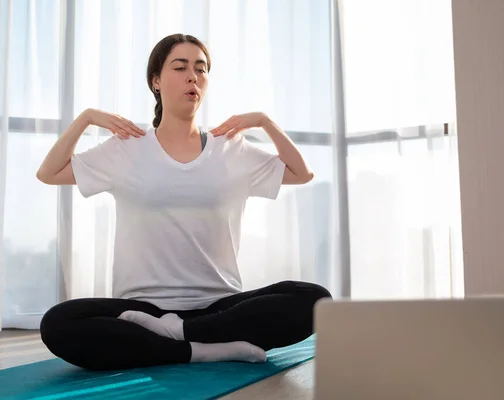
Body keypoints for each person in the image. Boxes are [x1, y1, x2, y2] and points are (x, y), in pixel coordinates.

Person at [36, 33, 331, 371]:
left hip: (221, 306)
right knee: (58, 323)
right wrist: (85, 118)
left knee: (314, 299)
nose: (193, 76)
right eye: (180, 67)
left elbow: (301, 173)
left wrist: (264, 122)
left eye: (201, 69)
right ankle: (201, 350)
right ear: (156, 81)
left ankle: (182, 334)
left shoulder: (229, 148)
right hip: (143, 311)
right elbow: (49, 172)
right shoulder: (126, 147)